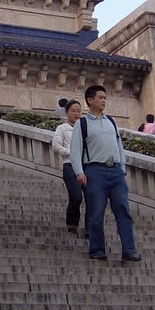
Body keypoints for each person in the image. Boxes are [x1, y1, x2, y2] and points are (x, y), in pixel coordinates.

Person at [69, 85, 141, 262]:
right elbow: (75, 149)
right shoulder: (82, 123)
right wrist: (79, 171)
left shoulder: (111, 121)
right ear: (90, 100)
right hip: (95, 171)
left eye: (105, 98)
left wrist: (122, 169)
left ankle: (129, 250)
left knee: (123, 211)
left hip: (115, 171)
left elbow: (119, 146)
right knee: (96, 212)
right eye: (100, 97)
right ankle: (97, 249)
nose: (103, 101)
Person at [51, 100, 86, 236]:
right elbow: (56, 146)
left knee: (92, 198)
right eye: (73, 111)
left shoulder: (84, 128)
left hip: (86, 166)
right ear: (66, 113)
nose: (76, 114)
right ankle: (72, 223)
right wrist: (71, 153)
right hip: (70, 166)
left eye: (79, 111)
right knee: (76, 197)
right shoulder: (62, 128)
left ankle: (90, 229)